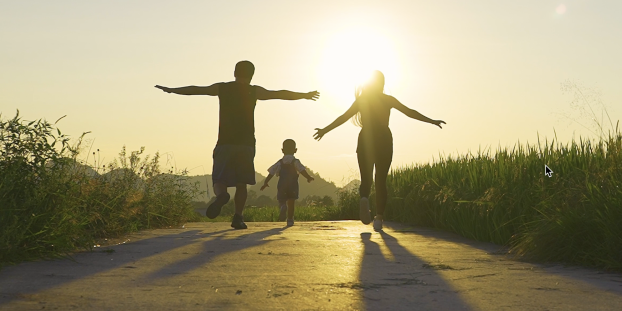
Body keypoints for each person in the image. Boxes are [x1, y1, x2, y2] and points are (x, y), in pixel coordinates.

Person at [155, 61, 319, 229]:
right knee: (242, 184)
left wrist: (173, 90)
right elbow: (280, 94)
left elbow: (197, 89)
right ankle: (238, 217)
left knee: (219, 179)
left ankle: (221, 196)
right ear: (252, 75)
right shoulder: (254, 91)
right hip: (246, 145)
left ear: (234, 72)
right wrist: (304, 95)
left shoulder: (222, 88)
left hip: (225, 143)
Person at [313, 70, 445, 232]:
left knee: (366, 178)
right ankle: (379, 218)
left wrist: (325, 130)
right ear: (382, 83)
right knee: (381, 180)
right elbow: (409, 112)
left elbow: (344, 117)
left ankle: (363, 198)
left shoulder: (362, 100)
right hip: (383, 138)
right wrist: (431, 121)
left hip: (366, 138)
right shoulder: (387, 99)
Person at [260, 139, 314, 227]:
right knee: (291, 202)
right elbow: (302, 170)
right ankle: (290, 219)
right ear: (295, 150)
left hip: (282, 184)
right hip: (293, 184)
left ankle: (282, 206)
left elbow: (271, 172)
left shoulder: (280, 162)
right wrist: (308, 177)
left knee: (282, 199)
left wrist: (266, 182)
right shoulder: (296, 161)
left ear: (282, 150)